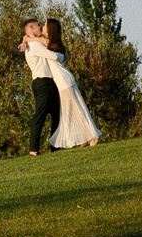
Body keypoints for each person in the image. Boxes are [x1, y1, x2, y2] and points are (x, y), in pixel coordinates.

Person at [21, 16, 101, 153]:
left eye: (44, 25)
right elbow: (54, 55)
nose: (41, 27)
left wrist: (27, 39)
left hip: (59, 81)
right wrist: (27, 39)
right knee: (55, 113)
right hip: (47, 82)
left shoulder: (43, 42)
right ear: (32, 28)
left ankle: (84, 138)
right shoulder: (36, 44)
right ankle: (35, 149)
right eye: (39, 25)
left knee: (67, 112)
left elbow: (58, 52)